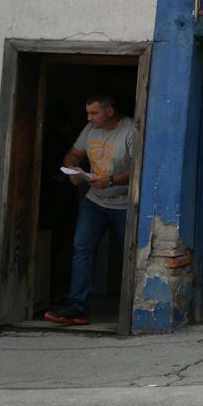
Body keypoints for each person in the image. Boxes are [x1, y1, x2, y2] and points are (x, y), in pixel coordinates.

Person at [41, 93, 137, 326]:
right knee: (82, 249)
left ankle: (136, 308)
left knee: (130, 254)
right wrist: (71, 169)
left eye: (93, 113)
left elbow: (140, 166)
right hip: (94, 201)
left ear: (109, 112)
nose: (88, 117)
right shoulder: (90, 128)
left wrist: (112, 180)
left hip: (124, 203)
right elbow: (73, 154)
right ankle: (78, 308)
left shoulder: (131, 130)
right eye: (88, 113)